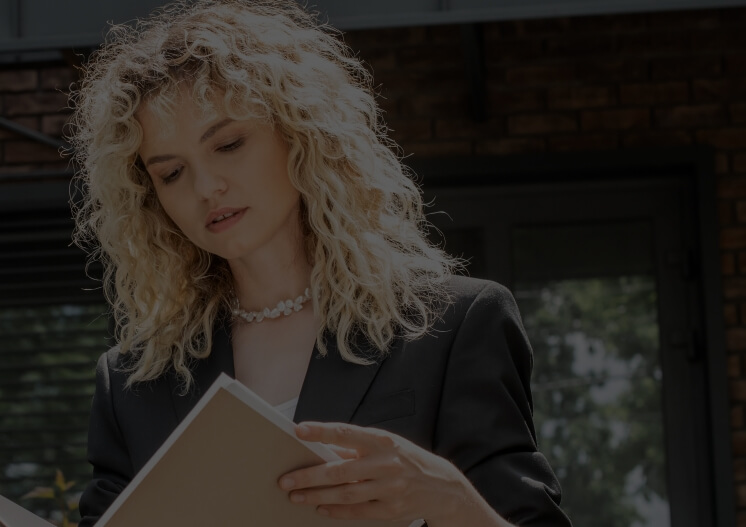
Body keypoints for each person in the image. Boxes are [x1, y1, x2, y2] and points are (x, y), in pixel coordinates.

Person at [66, 1, 571, 526]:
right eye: (171, 173)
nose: (205, 187)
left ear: (299, 130)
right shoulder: (134, 383)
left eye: (229, 144)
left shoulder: (453, 325)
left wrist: (446, 497)